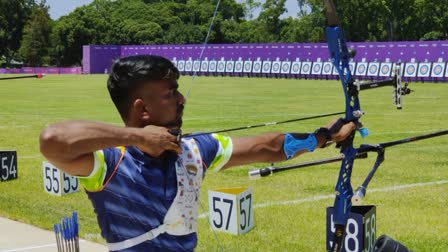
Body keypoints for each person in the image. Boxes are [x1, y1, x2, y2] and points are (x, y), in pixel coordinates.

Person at [39, 55, 356, 252]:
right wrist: (135, 137)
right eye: (170, 92)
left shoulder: (193, 149)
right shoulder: (109, 161)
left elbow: (267, 147)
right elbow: (52, 139)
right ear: (143, 109)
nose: (181, 99)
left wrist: (323, 137)